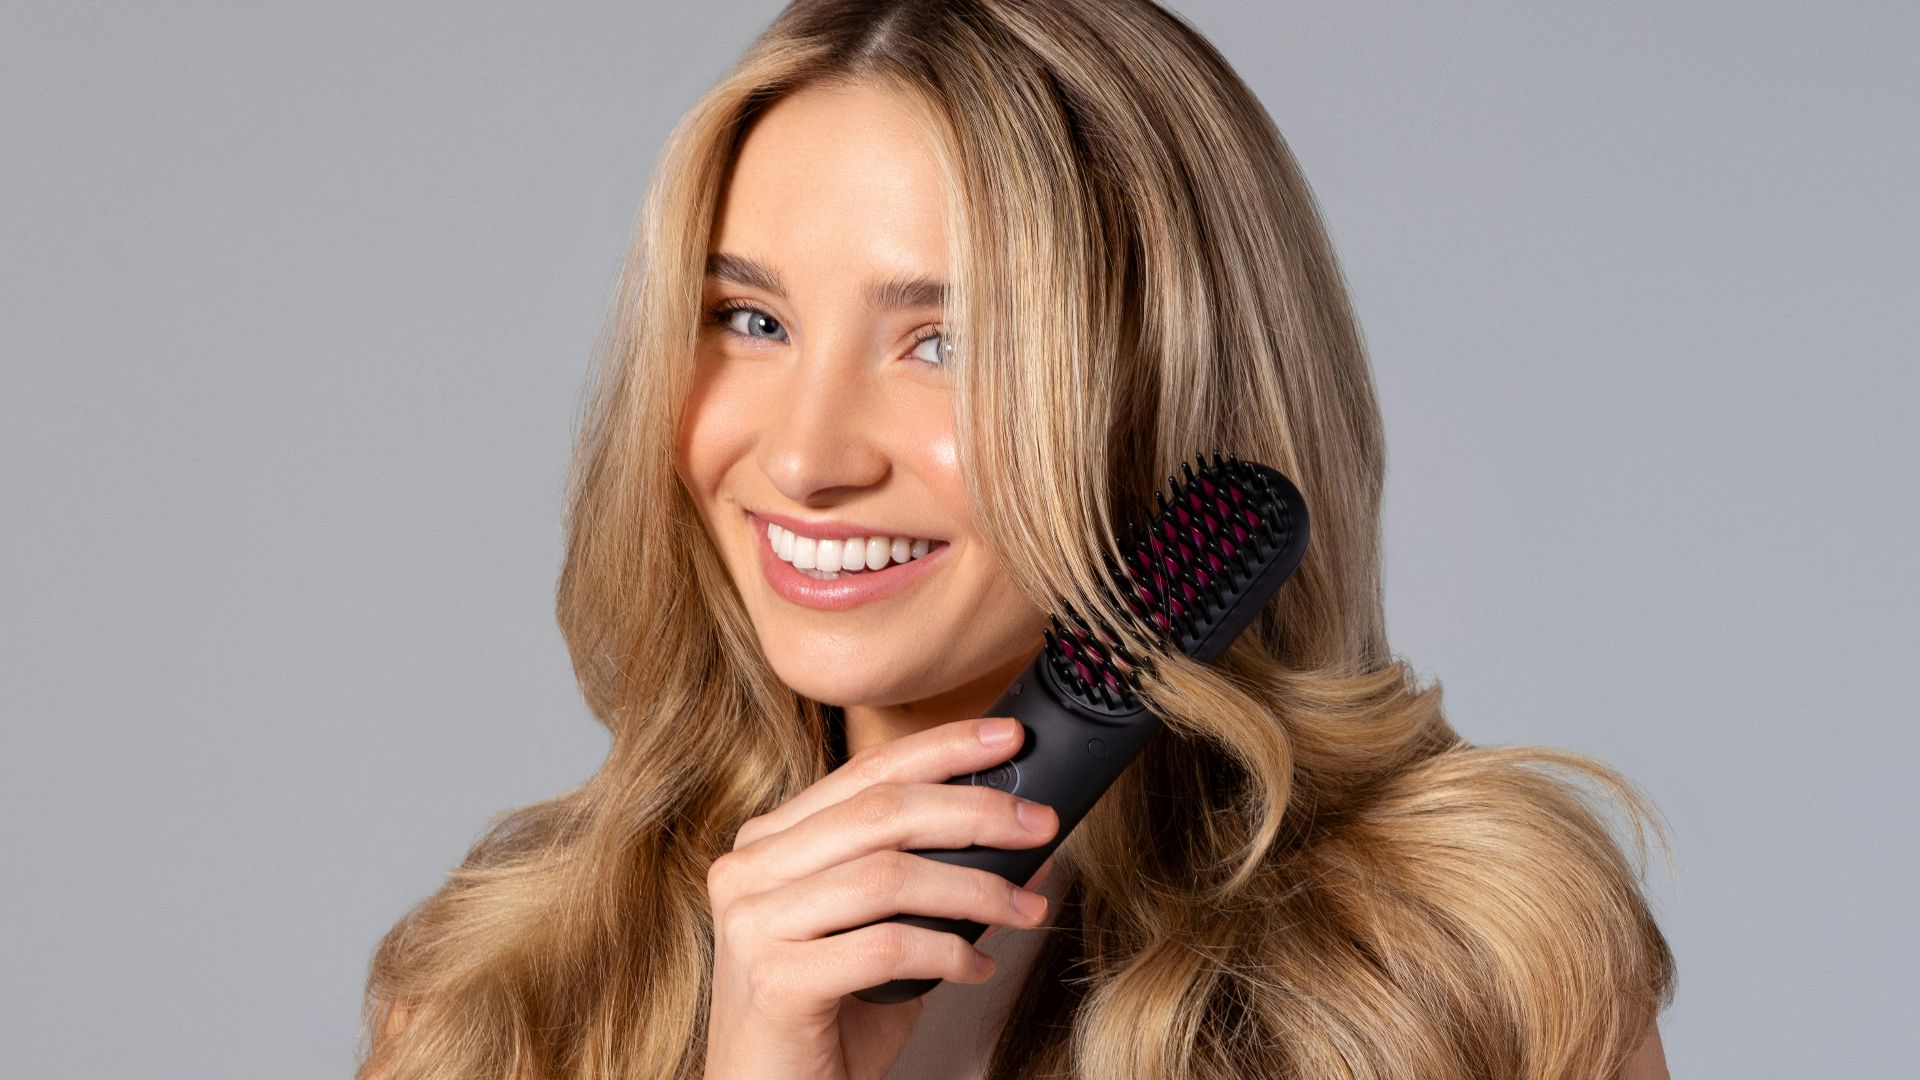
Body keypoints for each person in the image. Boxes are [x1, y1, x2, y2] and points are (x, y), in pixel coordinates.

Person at [358, 2, 1676, 1077]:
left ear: (1168, 399)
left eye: (947, 343)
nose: (807, 458)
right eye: (752, 322)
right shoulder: (506, 996)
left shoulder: (1458, 974)